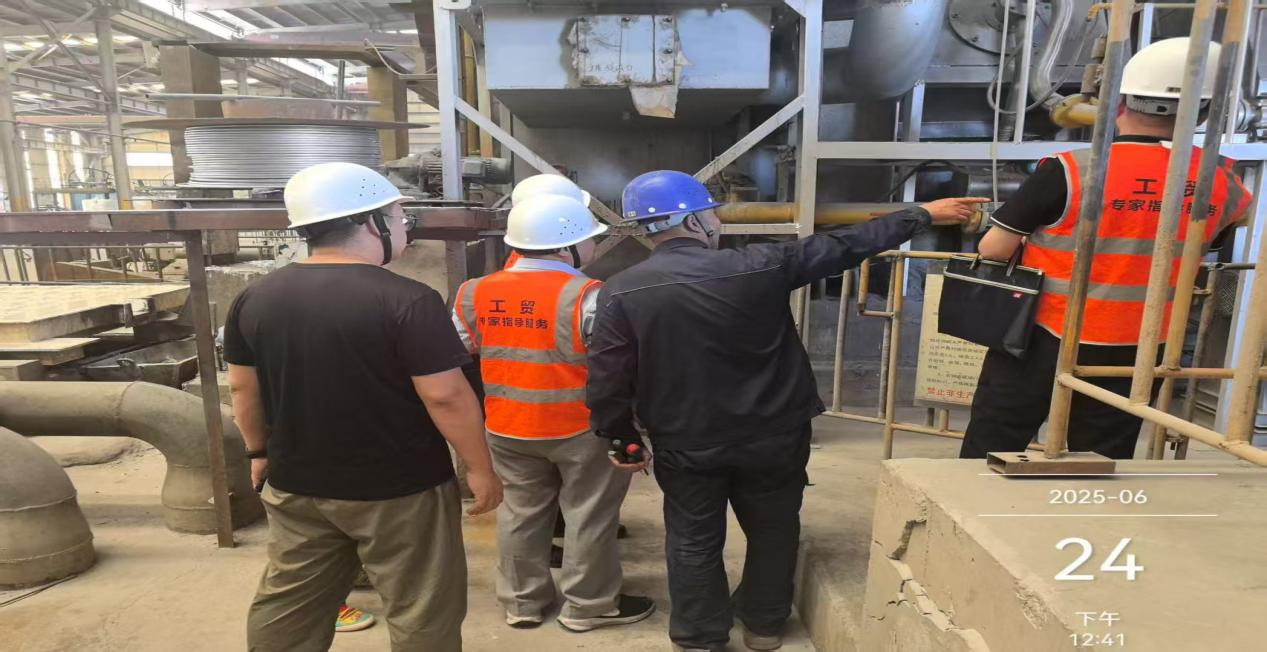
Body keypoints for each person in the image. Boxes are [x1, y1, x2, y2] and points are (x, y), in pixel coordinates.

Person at [586, 169, 985, 651]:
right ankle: (764, 626)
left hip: (687, 442)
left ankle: (699, 638)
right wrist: (921, 214)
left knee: (692, 539)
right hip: (775, 435)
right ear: (693, 221)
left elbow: (607, 379)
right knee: (774, 529)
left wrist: (621, 439)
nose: (717, 222)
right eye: (712, 213)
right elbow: (846, 245)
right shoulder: (762, 264)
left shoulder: (620, 290)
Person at [228, 162, 503, 652]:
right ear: (370, 223)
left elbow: (242, 389)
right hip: (400, 489)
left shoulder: (255, 297)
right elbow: (444, 395)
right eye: (399, 217)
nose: (404, 227)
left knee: (291, 599)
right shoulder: (409, 300)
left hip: (297, 482)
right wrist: (480, 468)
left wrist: (258, 453)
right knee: (421, 606)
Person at [960, 37, 1253, 461]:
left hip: (1046, 333)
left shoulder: (1072, 170)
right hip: (1144, 341)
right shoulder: (1225, 181)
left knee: (996, 435)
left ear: (1118, 103)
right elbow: (1206, 245)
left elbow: (993, 248)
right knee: (1102, 452)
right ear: (1203, 112)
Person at [451, 190, 656, 632]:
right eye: (591, 239)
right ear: (568, 246)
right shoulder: (589, 295)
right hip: (578, 428)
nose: (594, 246)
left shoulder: (473, 292)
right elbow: (616, 367)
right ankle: (588, 605)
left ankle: (522, 603)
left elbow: (460, 352)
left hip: (506, 426)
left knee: (520, 513)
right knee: (588, 515)